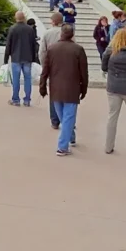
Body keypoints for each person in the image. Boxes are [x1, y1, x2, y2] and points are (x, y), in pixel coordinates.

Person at [39, 24, 89, 156]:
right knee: (67, 117)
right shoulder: (78, 50)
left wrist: (42, 86)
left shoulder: (52, 49)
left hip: (55, 88)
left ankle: (65, 142)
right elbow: (84, 72)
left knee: (64, 117)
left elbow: (45, 70)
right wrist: (84, 88)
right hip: (72, 89)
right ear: (72, 34)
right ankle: (63, 145)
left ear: (61, 33)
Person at [39, 12, 68, 131]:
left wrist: (44, 66)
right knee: (67, 92)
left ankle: (54, 120)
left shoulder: (47, 33)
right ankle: (66, 118)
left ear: (54, 21)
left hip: (52, 67)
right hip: (66, 67)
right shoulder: (67, 33)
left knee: (54, 93)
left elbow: (42, 52)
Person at [3, 11, 39, 107]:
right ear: (24, 18)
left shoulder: (12, 29)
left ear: (16, 18)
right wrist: (34, 58)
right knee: (28, 79)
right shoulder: (30, 29)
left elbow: (8, 45)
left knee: (16, 79)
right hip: (27, 57)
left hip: (16, 57)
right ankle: (27, 100)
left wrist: (6, 58)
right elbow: (33, 44)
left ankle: (16, 99)